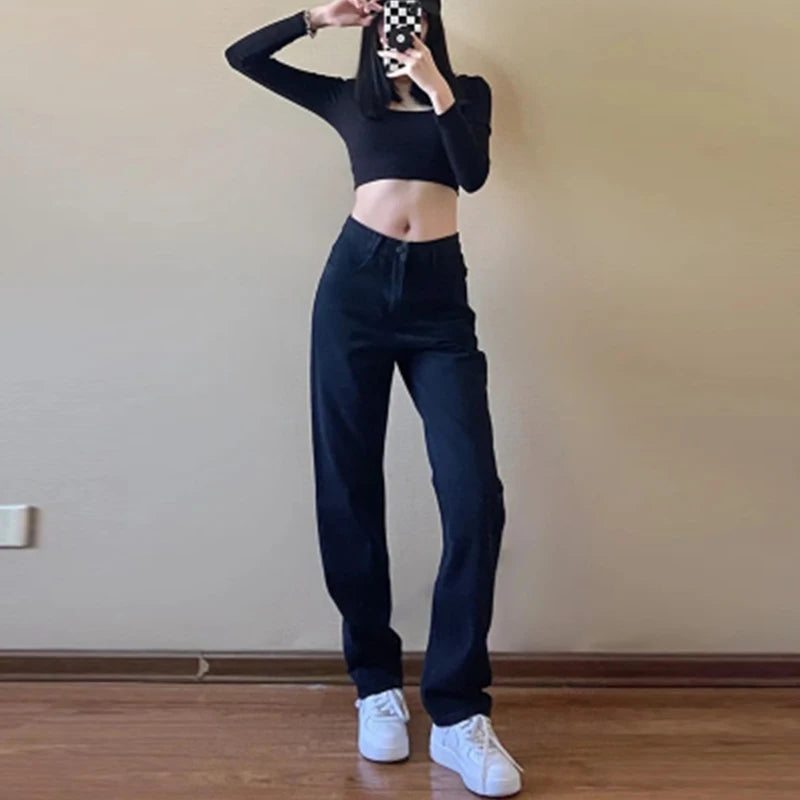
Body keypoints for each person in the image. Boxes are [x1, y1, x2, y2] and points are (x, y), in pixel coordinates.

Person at [224, 1, 523, 795]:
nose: (402, 18)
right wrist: (313, 18)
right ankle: (376, 685)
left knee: (474, 496)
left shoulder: (469, 91)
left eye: (413, 7)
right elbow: (242, 58)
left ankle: (458, 713)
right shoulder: (345, 100)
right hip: (353, 291)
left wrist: (435, 84)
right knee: (348, 484)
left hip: (438, 304)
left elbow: (472, 173)